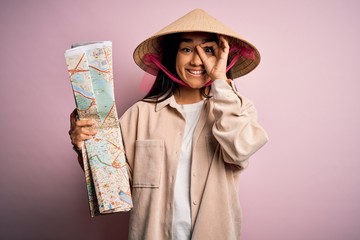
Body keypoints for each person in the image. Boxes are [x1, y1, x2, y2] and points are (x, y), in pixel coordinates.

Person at [69, 8, 268, 240]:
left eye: (208, 50)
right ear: (172, 56)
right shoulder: (139, 115)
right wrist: (86, 146)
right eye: (186, 49)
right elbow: (116, 187)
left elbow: (241, 147)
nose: (197, 59)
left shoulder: (239, 109)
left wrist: (220, 81)